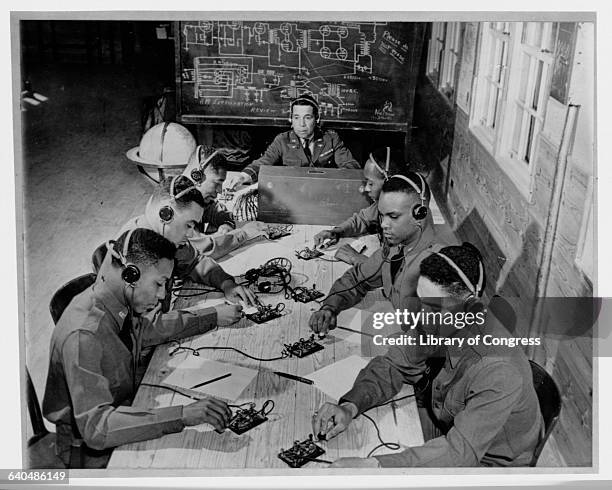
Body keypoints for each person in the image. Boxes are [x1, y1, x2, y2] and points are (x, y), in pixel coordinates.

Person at [312, 243, 544, 467]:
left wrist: (376, 467)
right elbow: (394, 363)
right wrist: (351, 406)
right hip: (448, 429)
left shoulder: (498, 369)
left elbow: (459, 454)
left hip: (488, 465)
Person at [43, 229, 233, 468]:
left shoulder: (114, 299)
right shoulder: (84, 335)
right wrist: (182, 415)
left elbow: (148, 329)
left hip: (123, 404)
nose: (162, 294)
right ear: (130, 274)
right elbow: (96, 428)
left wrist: (212, 315)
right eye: (159, 283)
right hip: (89, 447)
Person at [309, 172, 451, 336]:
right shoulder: (397, 246)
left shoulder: (439, 268)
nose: (383, 225)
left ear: (420, 213)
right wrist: (330, 307)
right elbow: (359, 278)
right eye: (382, 216)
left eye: (393, 216)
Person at [115, 175, 256, 308]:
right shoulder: (134, 251)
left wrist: (227, 284)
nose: (189, 234)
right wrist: (213, 316)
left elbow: (195, 261)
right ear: (166, 214)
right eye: (188, 225)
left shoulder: (166, 237)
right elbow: (145, 326)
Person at [226, 94, 359, 189]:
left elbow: (350, 164)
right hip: (292, 194)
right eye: (296, 117)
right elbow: (263, 163)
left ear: (317, 119)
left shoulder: (331, 139)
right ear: (291, 120)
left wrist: (338, 182)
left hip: (325, 193)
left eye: (307, 118)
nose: (301, 124)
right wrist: (243, 177)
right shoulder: (282, 140)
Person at [313, 146, 406, 266]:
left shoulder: (405, 222)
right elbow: (362, 219)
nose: (365, 189)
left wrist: (357, 259)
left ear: (389, 183)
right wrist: (337, 232)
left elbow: (397, 272)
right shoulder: (386, 204)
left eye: (371, 183)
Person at [181, 147, 268, 257]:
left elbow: (216, 210)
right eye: (217, 183)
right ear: (197, 176)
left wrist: (227, 224)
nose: (220, 190)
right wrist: (244, 233)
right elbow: (203, 249)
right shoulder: (178, 205)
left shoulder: (195, 198)